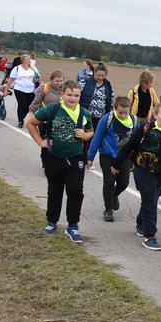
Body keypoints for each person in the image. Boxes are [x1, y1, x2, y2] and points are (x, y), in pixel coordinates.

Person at [25, 80, 94, 243]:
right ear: (62, 94)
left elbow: (91, 131)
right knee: (55, 190)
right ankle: (52, 221)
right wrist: (41, 142)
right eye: (69, 94)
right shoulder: (52, 109)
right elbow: (31, 123)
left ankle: (73, 226)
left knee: (76, 192)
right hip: (54, 157)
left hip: (76, 158)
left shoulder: (84, 113)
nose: (72, 98)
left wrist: (85, 136)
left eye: (76, 95)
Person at [112, 103, 161, 251]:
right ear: (155, 115)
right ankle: (150, 236)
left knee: (151, 199)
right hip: (143, 169)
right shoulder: (146, 128)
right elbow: (130, 145)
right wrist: (117, 165)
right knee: (150, 198)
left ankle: (141, 223)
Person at [86, 96, 140, 223]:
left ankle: (114, 195)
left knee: (123, 183)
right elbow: (97, 138)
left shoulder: (135, 122)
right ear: (115, 109)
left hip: (124, 157)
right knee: (109, 181)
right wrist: (90, 157)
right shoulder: (107, 120)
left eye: (126, 113)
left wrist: (134, 159)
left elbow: (137, 142)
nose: (123, 115)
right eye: (120, 112)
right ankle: (108, 208)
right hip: (107, 155)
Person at [79, 63, 115, 163]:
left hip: (100, 117)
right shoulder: (85, 81)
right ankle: (79, 156)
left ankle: (87, 158)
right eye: (98, 75)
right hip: (85, 115)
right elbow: (77, 94)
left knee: (93, 138)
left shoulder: (108, 85)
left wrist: (110, 115)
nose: (100, 77)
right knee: (83, 137)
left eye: (103, 76)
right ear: (94, 72)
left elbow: (111, 101)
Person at [29, 70, 65, 168]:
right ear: (51, 80)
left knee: (57, 143)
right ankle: (46, 162)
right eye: (57, 81)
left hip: (59, 121)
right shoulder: (44, 88)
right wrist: (30, 113)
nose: (59, 83)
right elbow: (36, 102)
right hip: (45, 121)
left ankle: (55, 162)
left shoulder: (64, 90)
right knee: (47, 142)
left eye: (61, 81)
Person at [3, 54, 38, 128]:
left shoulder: (33, 68)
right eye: (27, 59)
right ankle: (20, 120)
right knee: (22, 104)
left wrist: (37, 80)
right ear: (23, 60)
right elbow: (10, 80)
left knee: (29, 106)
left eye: (29, 59)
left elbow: (38, 77)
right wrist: (6, 90)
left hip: (31, 90)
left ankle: (23, 116)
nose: (29, 60)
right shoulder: (17, 68)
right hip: (19, 89)